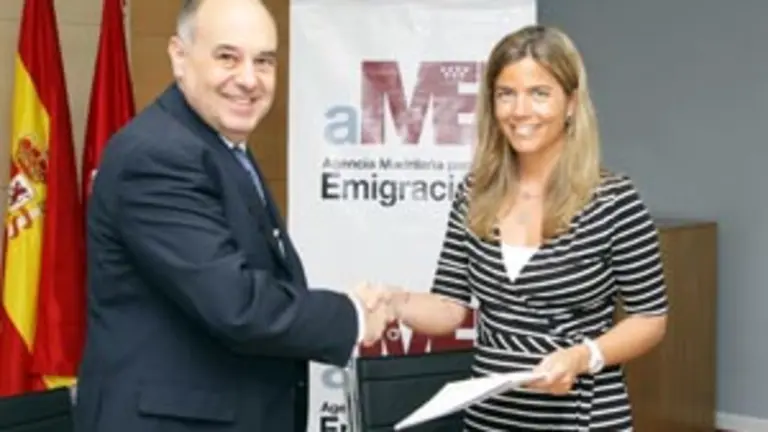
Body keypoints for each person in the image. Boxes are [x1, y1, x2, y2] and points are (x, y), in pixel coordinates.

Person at [73, 1, 393, 431]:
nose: (248, 80)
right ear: (179, 56)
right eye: (227, 57)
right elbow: (236, 306)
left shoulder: (216, 145)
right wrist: (352, 315)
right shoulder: (158, 155)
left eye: (264, 61)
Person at [386, 25, 668, 431]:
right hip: (491, 417)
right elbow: (449, 306)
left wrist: (583, 356)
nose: (520, 111)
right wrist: (395, 303)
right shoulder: (474, 193)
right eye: (506, 94)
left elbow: (650, 318)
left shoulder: (614, 200)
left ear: (571, 103)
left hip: (583, 417)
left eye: (539, 93)